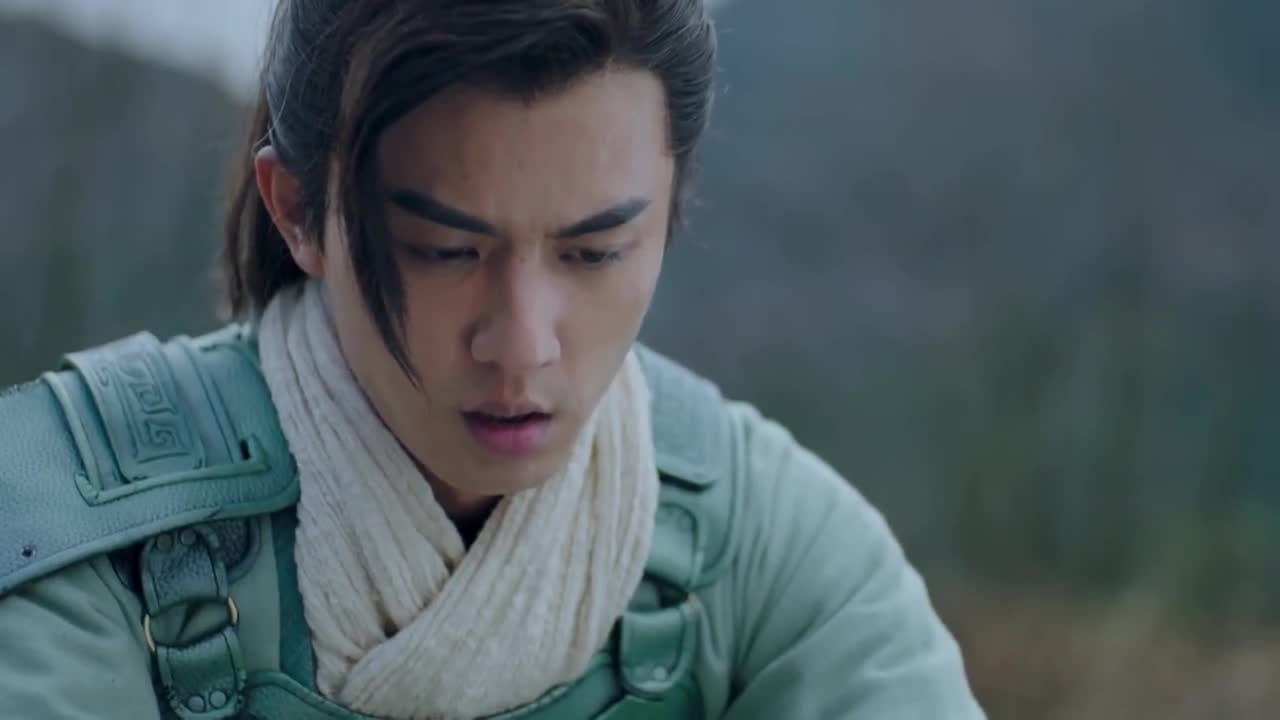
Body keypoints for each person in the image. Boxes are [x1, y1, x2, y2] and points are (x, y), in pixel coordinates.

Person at [0, 1, 985, 718]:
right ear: (297, 208)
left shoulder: (769, 552)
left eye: (595, 252)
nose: (521, 342)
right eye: (445, 250)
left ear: (673, 206)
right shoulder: (71, 531)